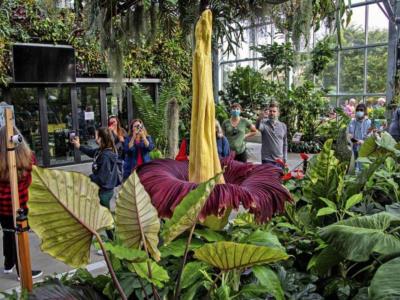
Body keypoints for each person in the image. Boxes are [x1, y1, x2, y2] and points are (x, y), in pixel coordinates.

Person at [0, 126, 42, 279]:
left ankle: (8, 263)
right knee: (20, 236)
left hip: (3, 207)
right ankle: (22, 271)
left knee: (8, 233)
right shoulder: (28, 157)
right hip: (22, 205)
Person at [71, 127, 120, 210]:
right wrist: (79, 146)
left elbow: (103, 178)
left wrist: (89, 177)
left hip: (104, 192)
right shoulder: (101, 150)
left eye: (96, 136)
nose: (94, 138)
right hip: (104, 189)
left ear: (100, 138)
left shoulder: (106, 156)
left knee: (104, 215)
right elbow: (91, 152)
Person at [256, 102, 288, 168]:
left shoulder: (283, 126)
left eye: (274, 111)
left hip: (279, 160)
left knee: (279, 178)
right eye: (270, 111)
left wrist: (285, 157)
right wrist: (259, 118)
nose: (272, 113)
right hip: (267, 159)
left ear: (278, 113)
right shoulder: (264, 123)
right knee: (267, 178)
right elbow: (258, 127)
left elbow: (285, 143)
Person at [348, 103, 372, 171]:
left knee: (364, 167)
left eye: (361, 110)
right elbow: (350, 135)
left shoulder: (369, 122)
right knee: (354, 166)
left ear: (365, 111)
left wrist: (364, 141)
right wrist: (357, 141)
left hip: (365, 148)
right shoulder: (352, 122)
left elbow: (370, 135)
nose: (359, 112)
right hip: (354, 147)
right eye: (358, 110)